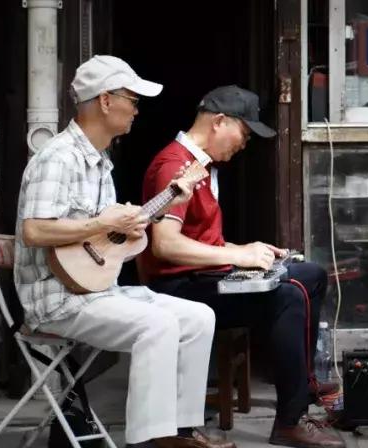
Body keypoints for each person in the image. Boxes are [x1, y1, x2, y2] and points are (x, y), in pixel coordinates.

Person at [14, 55, 233, 448]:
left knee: (199, 317)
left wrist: (139, 222)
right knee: (157, 325)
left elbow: (106, 246)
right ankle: (150, 439)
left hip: (97, 290)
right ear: (105, 101)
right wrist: (105, 224)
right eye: (132, 100)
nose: (136, 109)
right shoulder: (58, 158)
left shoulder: (102, 164)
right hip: (58, 299)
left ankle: (179, 431)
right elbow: (34, 230)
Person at [139, 85, 342, 448]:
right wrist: (238, 257)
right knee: (289, 295)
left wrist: (246, 248)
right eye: (244, 133)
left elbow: (202, 242)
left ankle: (306, 388)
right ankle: (290, 420)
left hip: (201, 276)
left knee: (311, 274)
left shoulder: (203, 164)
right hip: (179, 287)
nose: (244, 143)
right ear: (219, 122)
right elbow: (165, 244)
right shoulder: (176, 165)